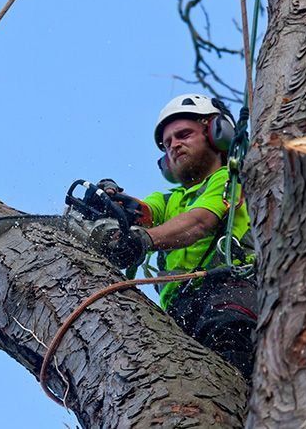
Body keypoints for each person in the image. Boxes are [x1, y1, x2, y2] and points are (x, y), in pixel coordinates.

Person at [101, 93, 257, 379]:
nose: (174, 146)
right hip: (178, 311)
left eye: (184, 135)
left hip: (228, 293)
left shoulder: (231, 179)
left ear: (216, 133)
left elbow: (199, 222)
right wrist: (114, 208)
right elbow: (144, 212)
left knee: (229, 369)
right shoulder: (169, 199)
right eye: (168, 143)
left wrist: (144, 240)